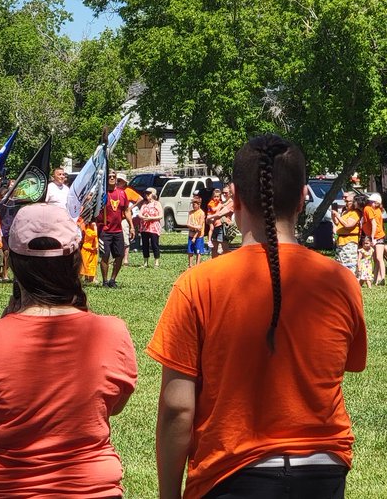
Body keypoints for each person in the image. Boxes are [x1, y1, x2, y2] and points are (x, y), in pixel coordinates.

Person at [147, 134, 367, 499]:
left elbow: (176, 406)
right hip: (322, 470)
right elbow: (344, 366)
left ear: (234, 197)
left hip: (232, 472)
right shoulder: (340, 281)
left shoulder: (197, 284)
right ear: (301, 199)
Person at [0, 202, 137, 498]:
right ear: (76, 261)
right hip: (91, 489)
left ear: (12, 262)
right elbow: (111, 408)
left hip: (0, 489)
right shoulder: (112, 332)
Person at [99, 172, 133, 288]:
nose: (112, 178)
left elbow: (127, 210)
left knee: (119, 256)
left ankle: (112, 280)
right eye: (109, 176)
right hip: (104, 230)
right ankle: (104, 281)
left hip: (118, 230)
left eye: (114, 176)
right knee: (105, 255)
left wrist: (132, 226)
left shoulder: (122, 193)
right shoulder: (102, 193)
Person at [360, 193, 387, 285]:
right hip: (380, 235)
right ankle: (376, 279)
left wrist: (371, 237)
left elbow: (374, 224)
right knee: (376, 258)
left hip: (376, 236)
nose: (369, 203)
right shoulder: (378, 210)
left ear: (376, 203)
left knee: (379, 257)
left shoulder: (368, 209)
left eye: (372, 202)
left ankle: (382, 278)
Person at [332, 192, 361, 276]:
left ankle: (351, 280)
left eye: (348, 201)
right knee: (340, 263)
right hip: (340, 241)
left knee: (349, 264)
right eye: (345, 201)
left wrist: (338, 216)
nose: (346, 203)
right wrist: (334, 215)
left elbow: (348, 225)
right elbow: (338, 223)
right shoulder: (345, 212)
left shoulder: (355, 213)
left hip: (349, 242)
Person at [136, 187, 163, 268]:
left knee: (155, 244)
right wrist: (143, 216)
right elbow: (139, 214)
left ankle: (156, 262)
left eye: (149, 193)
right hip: (145, 227)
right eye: (146, 194)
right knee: (145, 245)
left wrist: (151, 218)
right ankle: (145, 262)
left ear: (153, 194)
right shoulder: (144, 204)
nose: (147, 195)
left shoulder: (157, 204)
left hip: (154, 228)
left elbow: (161, 215)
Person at [186, 196, 206, 268]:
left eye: (195, 204)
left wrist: (194, 236)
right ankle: (190, 265)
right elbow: (188, 224)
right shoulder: (191, 213)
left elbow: (200, 227)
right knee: (190, 251)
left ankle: (197, 266)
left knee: (198, 251)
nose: (193, 205)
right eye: (193, 204)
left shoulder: (201, 213)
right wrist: (195, 226)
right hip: (190, 235)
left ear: (199, 204)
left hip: (198, 236)